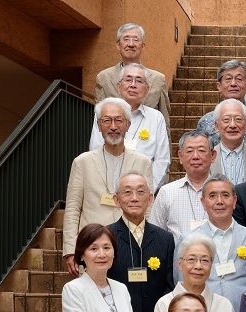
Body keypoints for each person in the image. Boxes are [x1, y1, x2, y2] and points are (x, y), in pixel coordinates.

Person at [62, 97, 153, 276]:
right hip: (92, 246)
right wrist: (71, 250)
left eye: (118, 120)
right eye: (106, 120)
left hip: (131, 243)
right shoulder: (82, 162)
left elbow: (148, 207)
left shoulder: (143, 162)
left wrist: (148, 244)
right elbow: (72, 208)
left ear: (128, 124)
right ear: (99, 125)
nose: (113, 126)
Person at [106, 172, 176, 312]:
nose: (134, 198)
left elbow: (169, 284)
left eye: (140, 192)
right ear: (116, 200)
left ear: (150, 198)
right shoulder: (106, 236)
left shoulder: (165, 238)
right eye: (127, 192)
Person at [147, 233, 239, 312]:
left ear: (211, 266)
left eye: (205, 260)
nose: (198, 266)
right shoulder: (164, 304)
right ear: (180, 264)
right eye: (191, 259)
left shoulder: (223, 305)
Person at [89, 64, 171, 187]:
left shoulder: (156, 118)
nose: (133, 85)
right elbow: (95, 151)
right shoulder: (102, 114)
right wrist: (109, 188)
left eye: (139, 81)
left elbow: (162, 160)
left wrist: (146, 190)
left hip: (144, 190)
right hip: (108, 189)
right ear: (119, 86)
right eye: (128, 80)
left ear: (147, 89)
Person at [192, 176, 246, 312]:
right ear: (203, 202)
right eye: (212, 196)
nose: (219, 201)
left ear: (234, 201)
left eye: (225, 195)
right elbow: (182, 282)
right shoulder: (190, 241)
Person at [95, 23, 170, 126]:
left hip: (148, 135)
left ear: (142, 46)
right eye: (126, 39)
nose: (131, 44)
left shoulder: (158, 79)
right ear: (118, 45)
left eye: (136, 39)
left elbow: (164, 120)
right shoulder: (104, 78)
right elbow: (99, 119)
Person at [150, 130, 216, 247]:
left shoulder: (224, 192)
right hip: (177, 258)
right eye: (189, 151)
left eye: (201, 150)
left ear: (213, 155)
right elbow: (154, 234)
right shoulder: (167, 192)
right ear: (180, 156)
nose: (195, 156)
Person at [209, 100, 246, 186]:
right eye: (226, 120)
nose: (232, 125)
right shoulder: (207, 157)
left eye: (238, 119)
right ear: (216, 126)